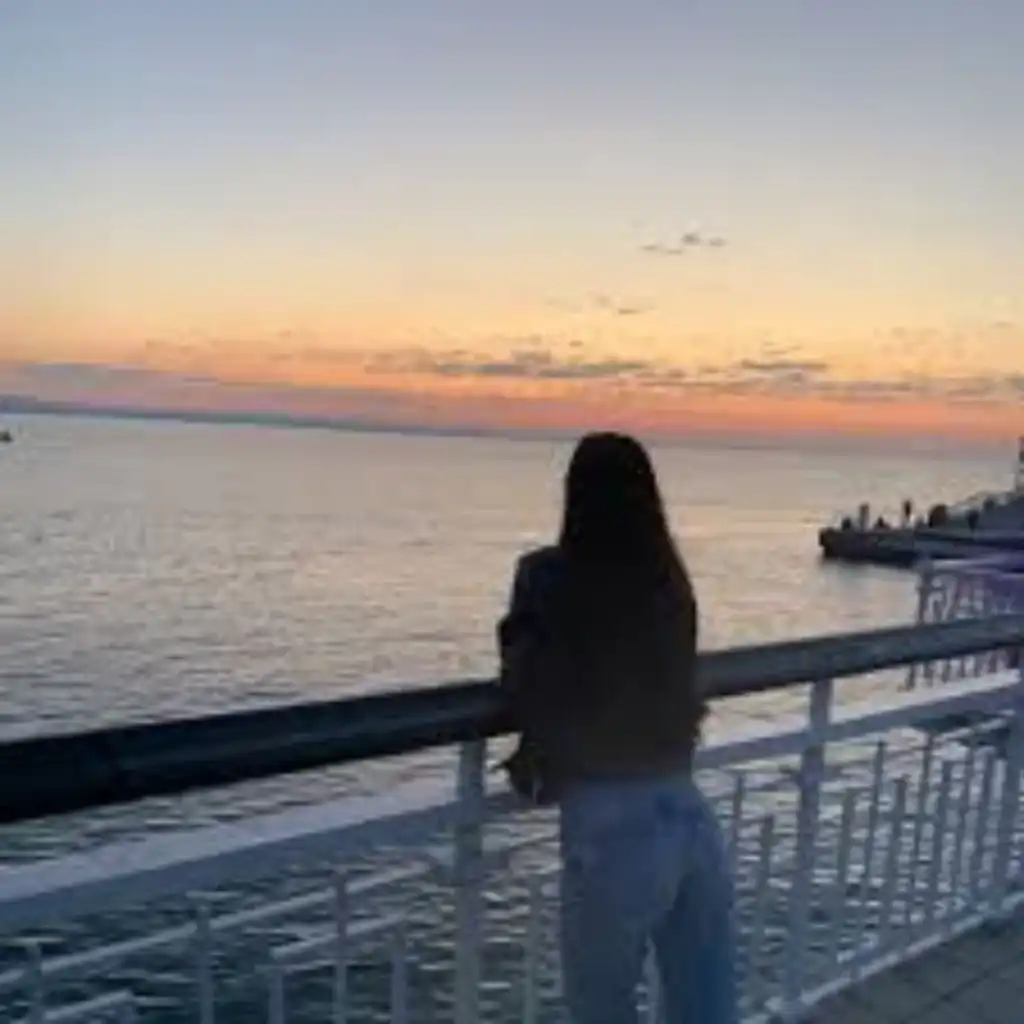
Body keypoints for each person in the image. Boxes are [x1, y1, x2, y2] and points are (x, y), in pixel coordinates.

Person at [497, 432, 736, 1024]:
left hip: (611, 826)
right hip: (688, 812)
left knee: (600, 1010)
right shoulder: (670, 582)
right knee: (704, 1007)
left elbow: (526, 681)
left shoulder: (548, 574)